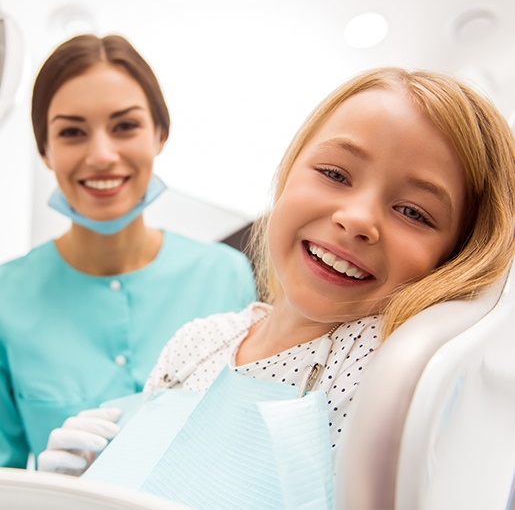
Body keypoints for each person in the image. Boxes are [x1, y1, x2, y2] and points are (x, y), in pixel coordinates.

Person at [38, 67, 515, 509]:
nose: (357, 219)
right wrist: (84, 484)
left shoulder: (381, 362)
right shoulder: (198, 340)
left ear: (457, 256)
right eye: (334, 174)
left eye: (414, 212)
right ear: (287, 176)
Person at [0, 34, 257, 469]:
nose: (102, 155)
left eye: (125, 126)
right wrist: (44, 493)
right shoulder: (7, 295)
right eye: (72, 132)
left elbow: (246, 446)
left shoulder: (225, 275)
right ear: (45, 150)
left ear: (160, 134)